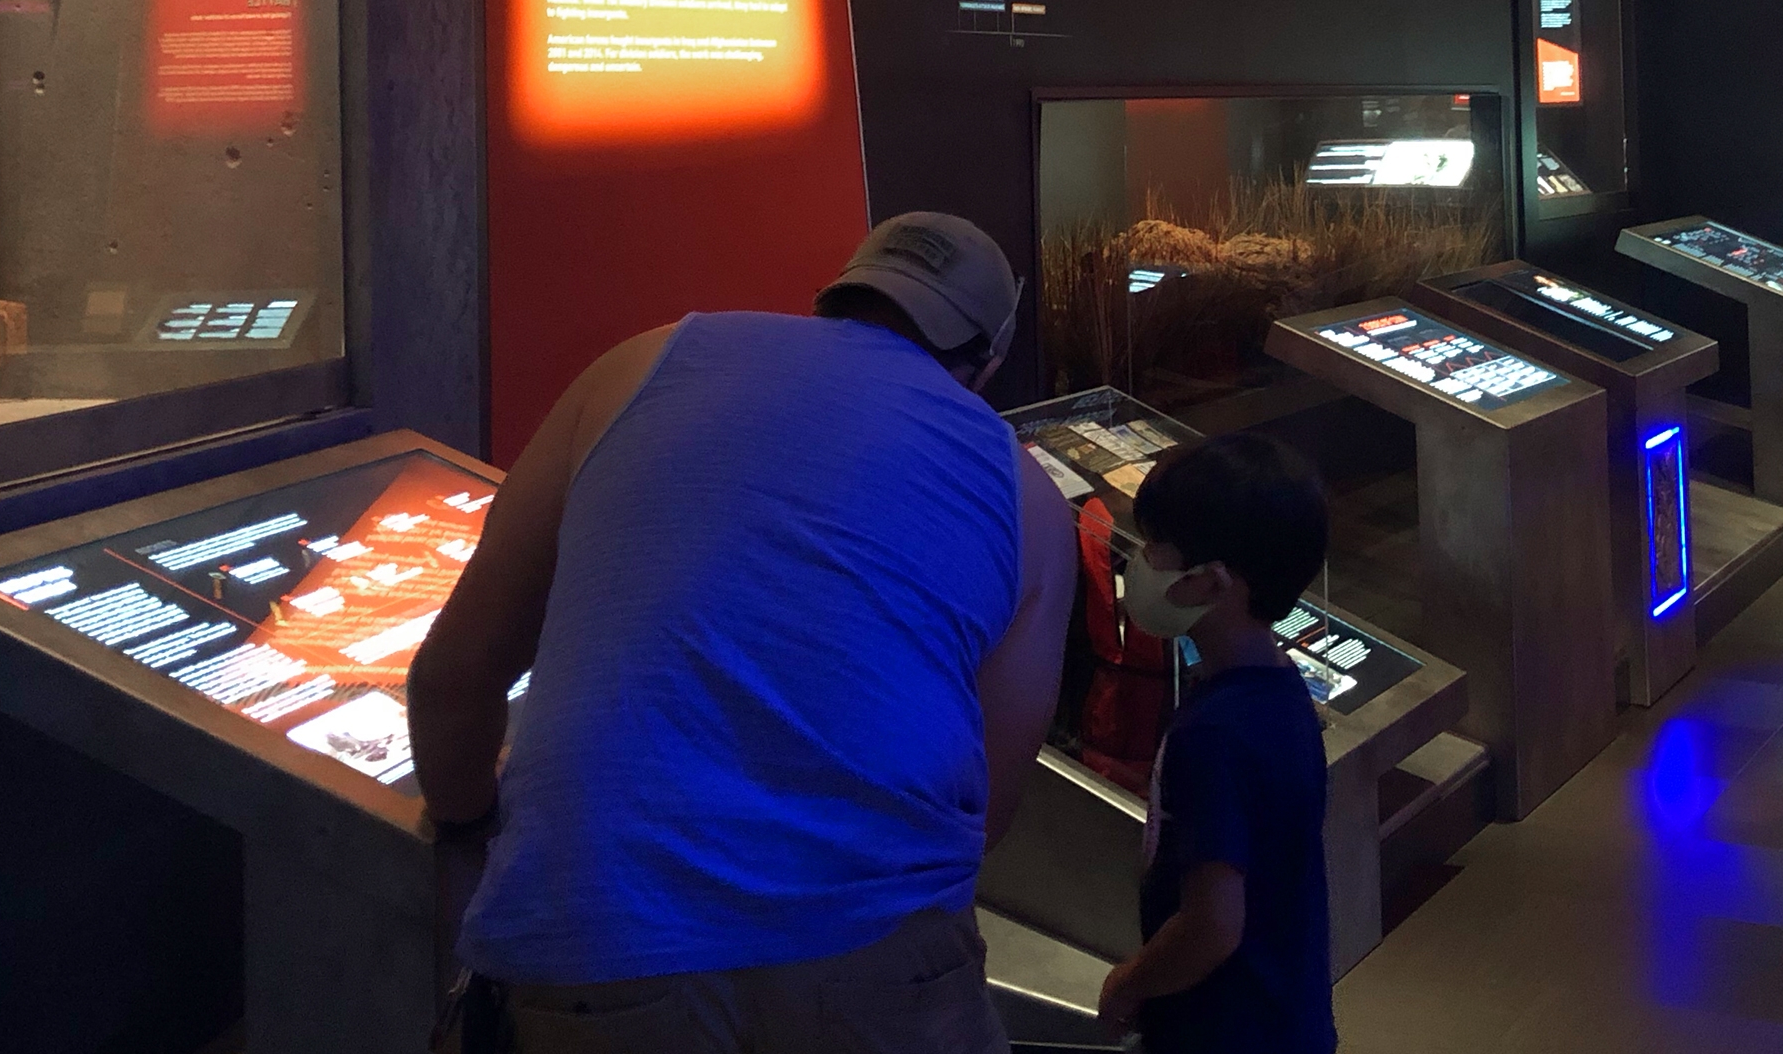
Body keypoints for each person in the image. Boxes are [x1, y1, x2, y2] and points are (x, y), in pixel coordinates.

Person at [406, 212, 1076, 1053]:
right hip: (880, 962)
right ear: (988, 359)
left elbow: (453, 678)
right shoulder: (1027, 497)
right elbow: (987, 807)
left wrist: (465, 821)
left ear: (834, 298)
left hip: (597, 944)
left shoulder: (641, 363)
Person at [1097, 433, 1337, 1054]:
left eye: (1157, 552)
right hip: (1286, 1014)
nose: (1139, 564)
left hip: (1223, 1028)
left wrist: (1129, 982)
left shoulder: (1213, 735)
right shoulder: (1282, 696)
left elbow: (1213, 924)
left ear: (1209, 583)